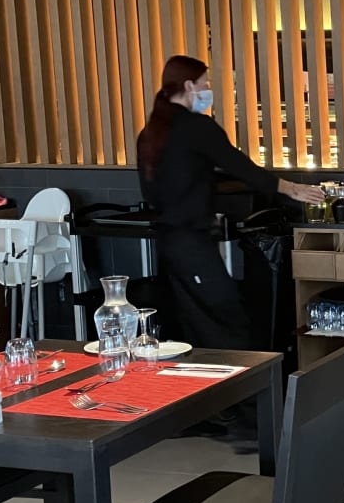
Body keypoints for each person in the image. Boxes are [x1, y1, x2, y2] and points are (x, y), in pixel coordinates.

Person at [137, 53, 323, 356]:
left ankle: (207, 380)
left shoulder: (151, 132)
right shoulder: (196, 127)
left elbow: (159, 186)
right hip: (192, 243)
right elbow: (240, 167)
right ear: (189, 85)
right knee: (228, 318)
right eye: (205, 83)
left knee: (194, 322)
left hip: (170, 242)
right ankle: (239, 383)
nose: (208, 89)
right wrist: (291, 189)